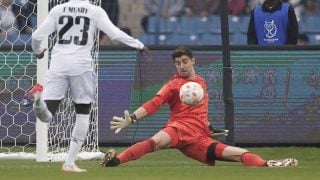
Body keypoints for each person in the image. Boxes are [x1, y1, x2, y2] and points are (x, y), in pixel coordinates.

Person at [100, 46, 298, 168]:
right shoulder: (172, 85)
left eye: (185, 61)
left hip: (199, 138)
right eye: (177, 63)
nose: (181, 66)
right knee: (156, 141)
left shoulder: (201, 83)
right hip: (178, 128)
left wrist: (211, 128)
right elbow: (155, 103)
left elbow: (200, 112)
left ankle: (268, 165)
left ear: (193, 61)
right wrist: (132, 118)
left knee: (238, 154)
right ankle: (115, 161)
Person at [26, 0, 150, 173]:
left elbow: (37, 36)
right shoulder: (94, 11)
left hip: (58, 63)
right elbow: (114, 34)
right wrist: (138, 44)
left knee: (46, 117)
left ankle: (38, 100)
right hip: (81, 65)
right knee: (83, 113)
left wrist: (38, 51)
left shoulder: (58, 9)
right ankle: (69, 163)